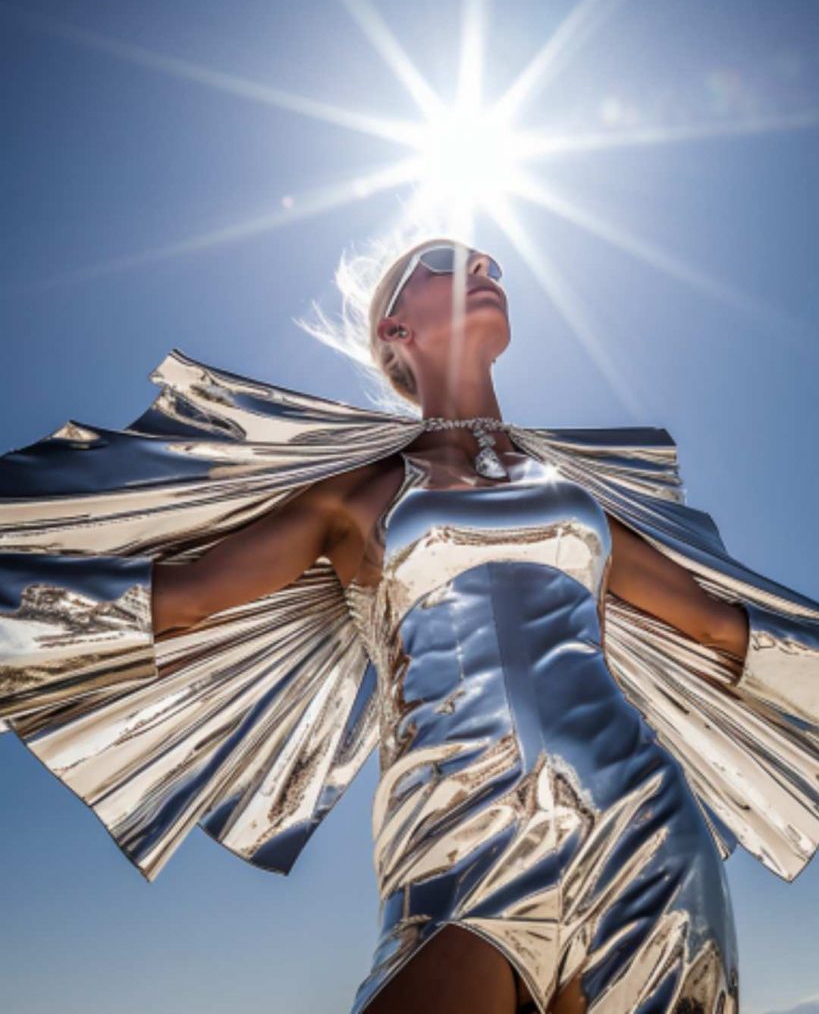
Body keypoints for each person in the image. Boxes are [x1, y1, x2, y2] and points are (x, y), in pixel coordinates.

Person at [1, 238, 817, 1014]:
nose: (485, 266)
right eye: (447, 263)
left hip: (641, 818)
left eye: (490, 260)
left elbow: (716, 625)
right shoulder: (353, 495)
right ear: (397, 327)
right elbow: (182, 597)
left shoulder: (579, 500)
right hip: (457, 827)